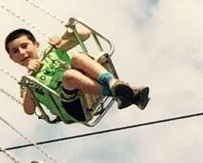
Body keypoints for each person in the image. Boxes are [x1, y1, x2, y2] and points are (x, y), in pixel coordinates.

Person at [8, 26, 148, 119]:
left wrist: (66, 36)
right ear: (12, 59)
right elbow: (29, 110)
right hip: (72, 107)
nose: (22, 52)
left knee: (77, 57)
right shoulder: (27, 82)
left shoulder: (52, 51)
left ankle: (114, 84)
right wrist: (30, 82)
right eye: (15, 51)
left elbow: (85, 34)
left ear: (36, 45)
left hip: (86, 85)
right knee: (70, 76)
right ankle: (120, 93)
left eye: (25, 46)